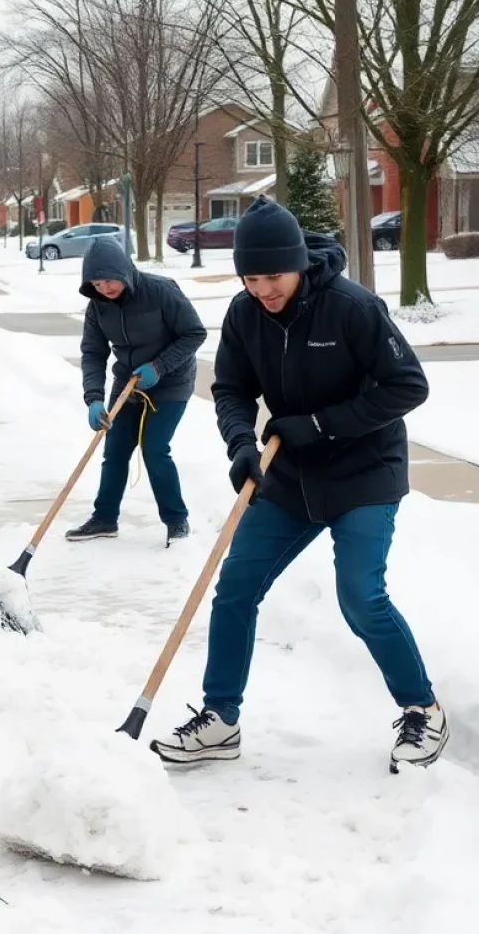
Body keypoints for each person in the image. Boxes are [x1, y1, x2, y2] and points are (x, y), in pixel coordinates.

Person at [150, 196, 446, 773]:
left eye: (273, 276)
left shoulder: (351, 307)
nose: (263, 289)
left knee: (361, 597)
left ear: (299, 265)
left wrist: (318, 425)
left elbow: (407, 386)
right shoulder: (243, 315)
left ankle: (423, 708)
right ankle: (221, 719)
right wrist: (239, 442)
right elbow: (231, 388)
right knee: (235, 586)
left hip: (365, 470)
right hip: (292, 476)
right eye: (251, 277)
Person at [67, 236, 206, 546]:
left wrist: (159, 366)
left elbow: (194, 333)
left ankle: (176, 521)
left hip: (171, 381)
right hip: (127, 380)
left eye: (108, 280)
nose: (104, 288)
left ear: (123, 271)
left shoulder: (160, 292)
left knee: (155, 448)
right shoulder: (97, 307)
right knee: (115, 448)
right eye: (96, 283)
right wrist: (94, 398)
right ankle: (104, 518)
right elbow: (93, 353)